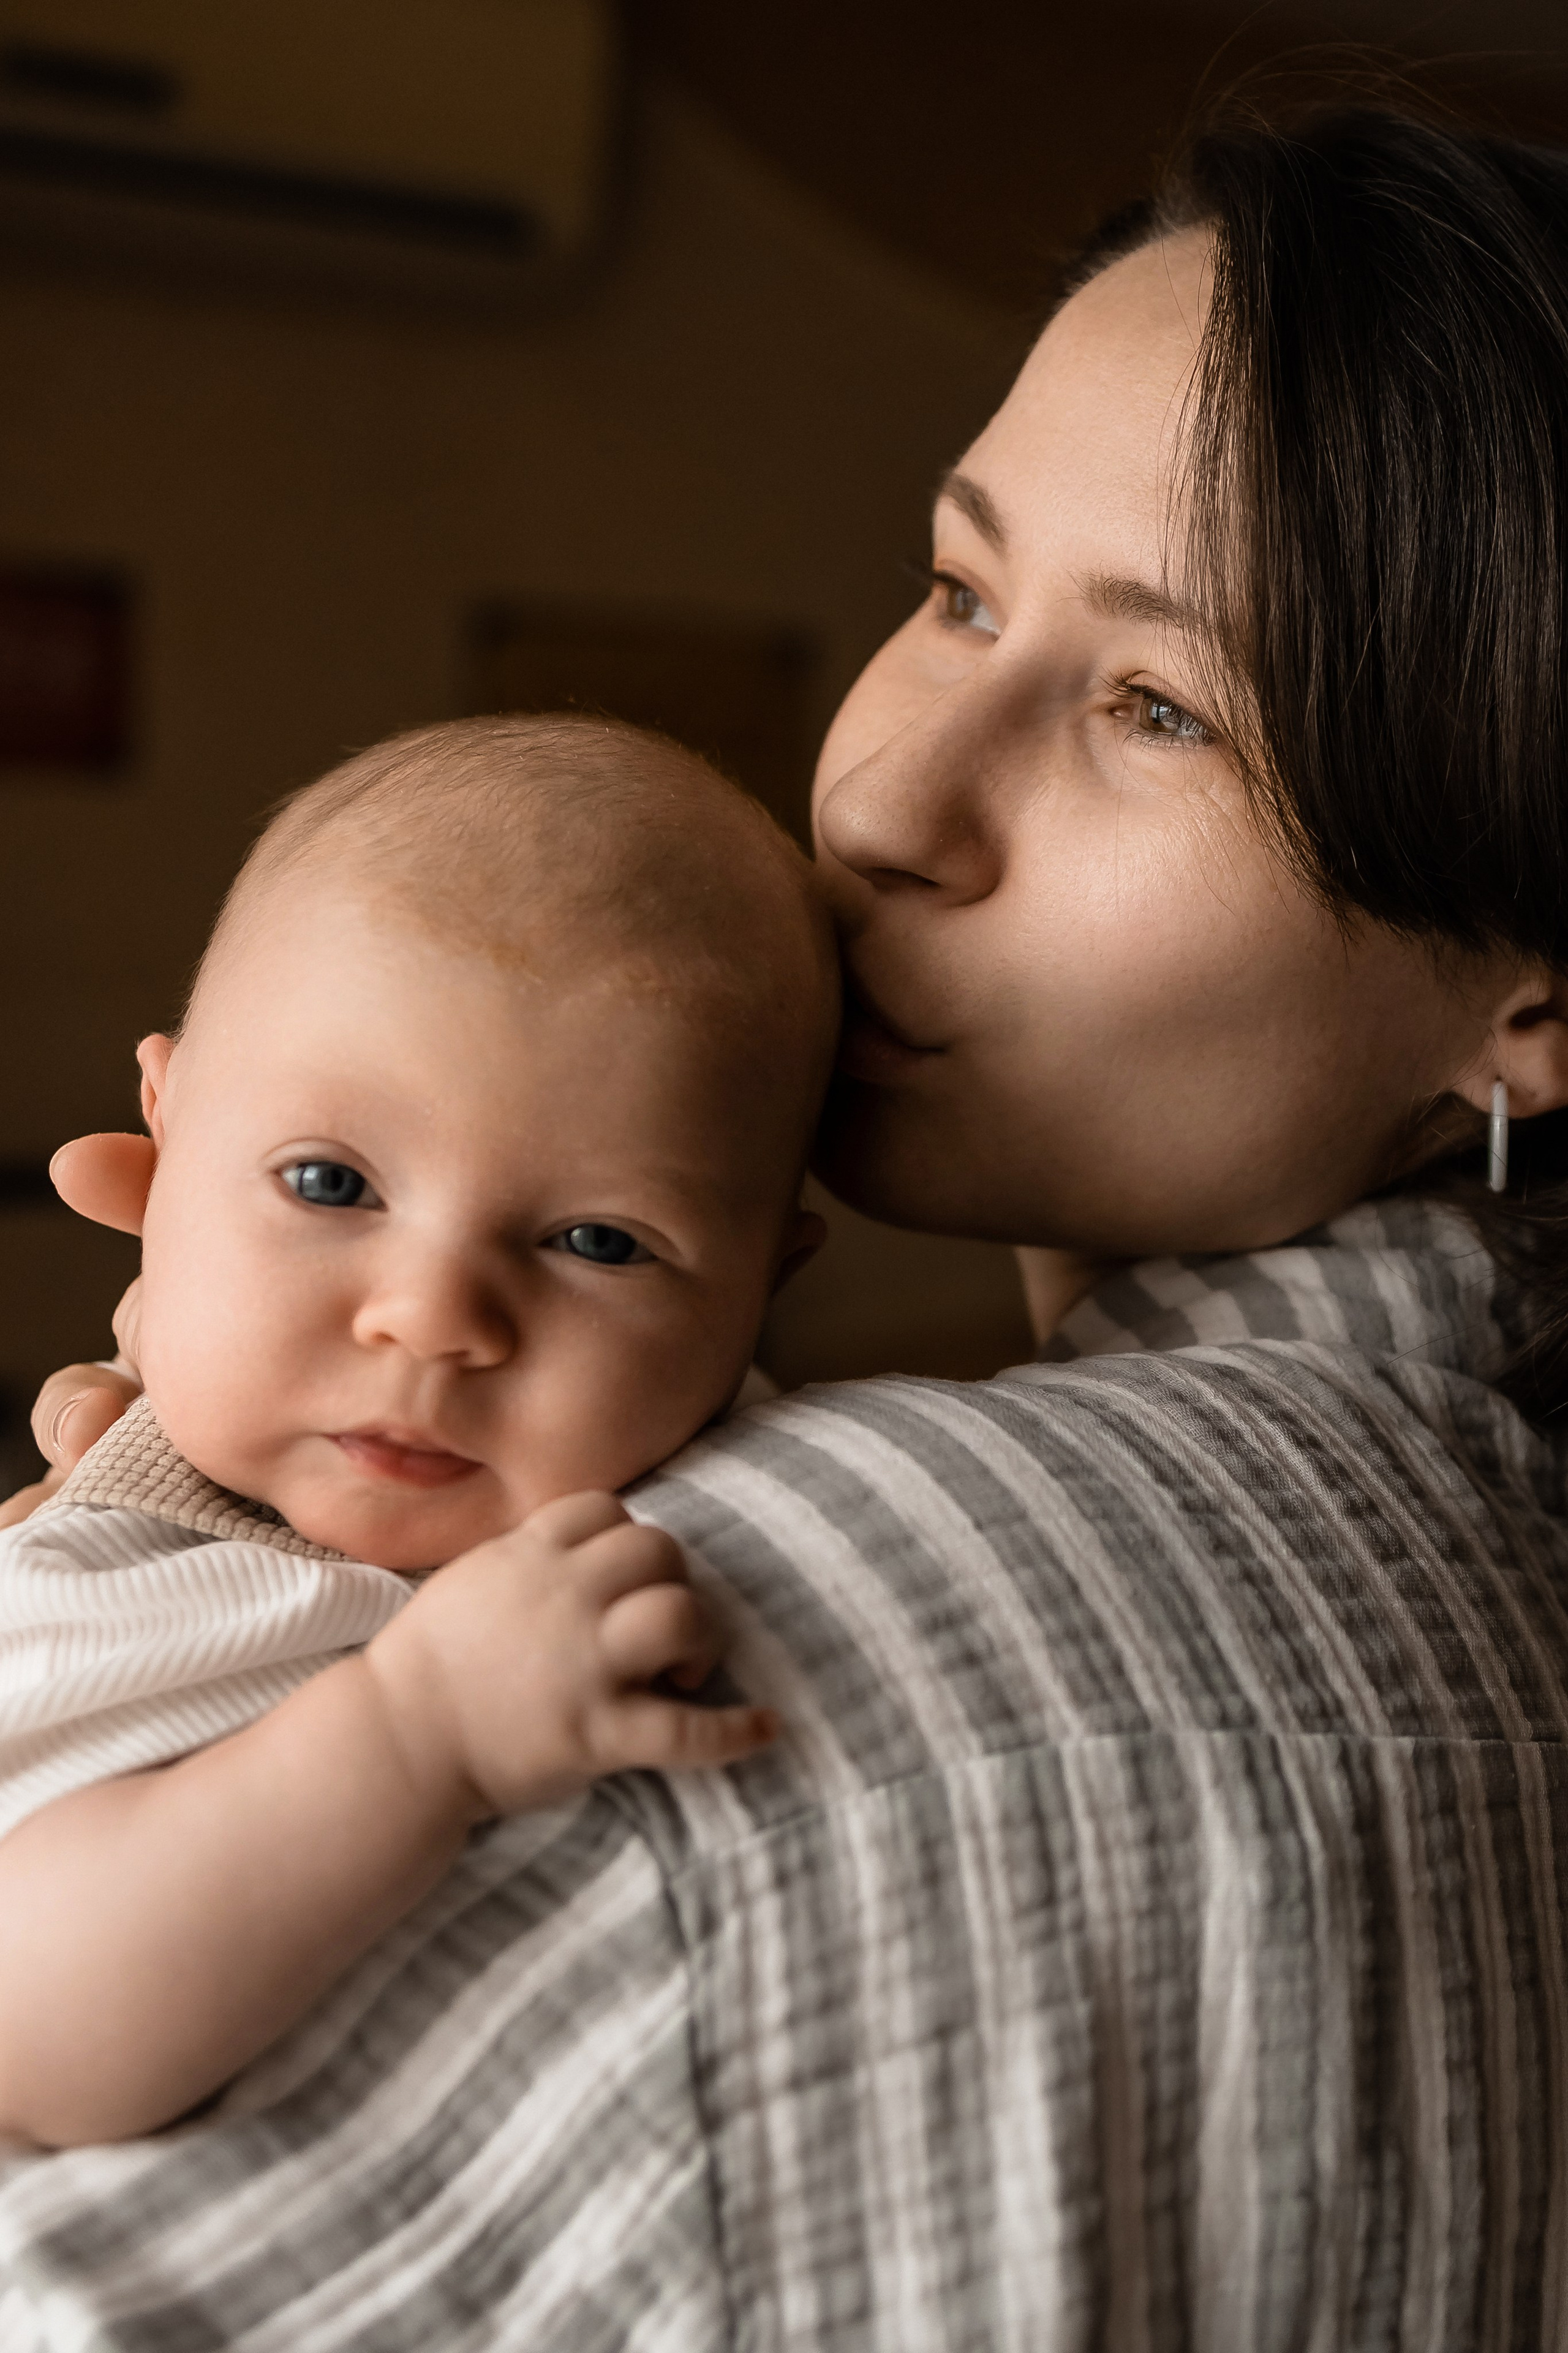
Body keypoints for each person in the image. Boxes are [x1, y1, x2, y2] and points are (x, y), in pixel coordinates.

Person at [4, 96, 1568, 2349]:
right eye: (957, 591)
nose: (889, 801)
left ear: (1530, 1008)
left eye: (1158, 709)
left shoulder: (791, 1614)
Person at [0, 713, 834, 2147]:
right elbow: (32, 2034)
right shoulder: (130, 1579)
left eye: (597, 1241)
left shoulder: (749, 1480)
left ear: (761, 1291)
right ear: (163, 1140)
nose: (434, 1317)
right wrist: (416, 1732)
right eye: (329, 1183)